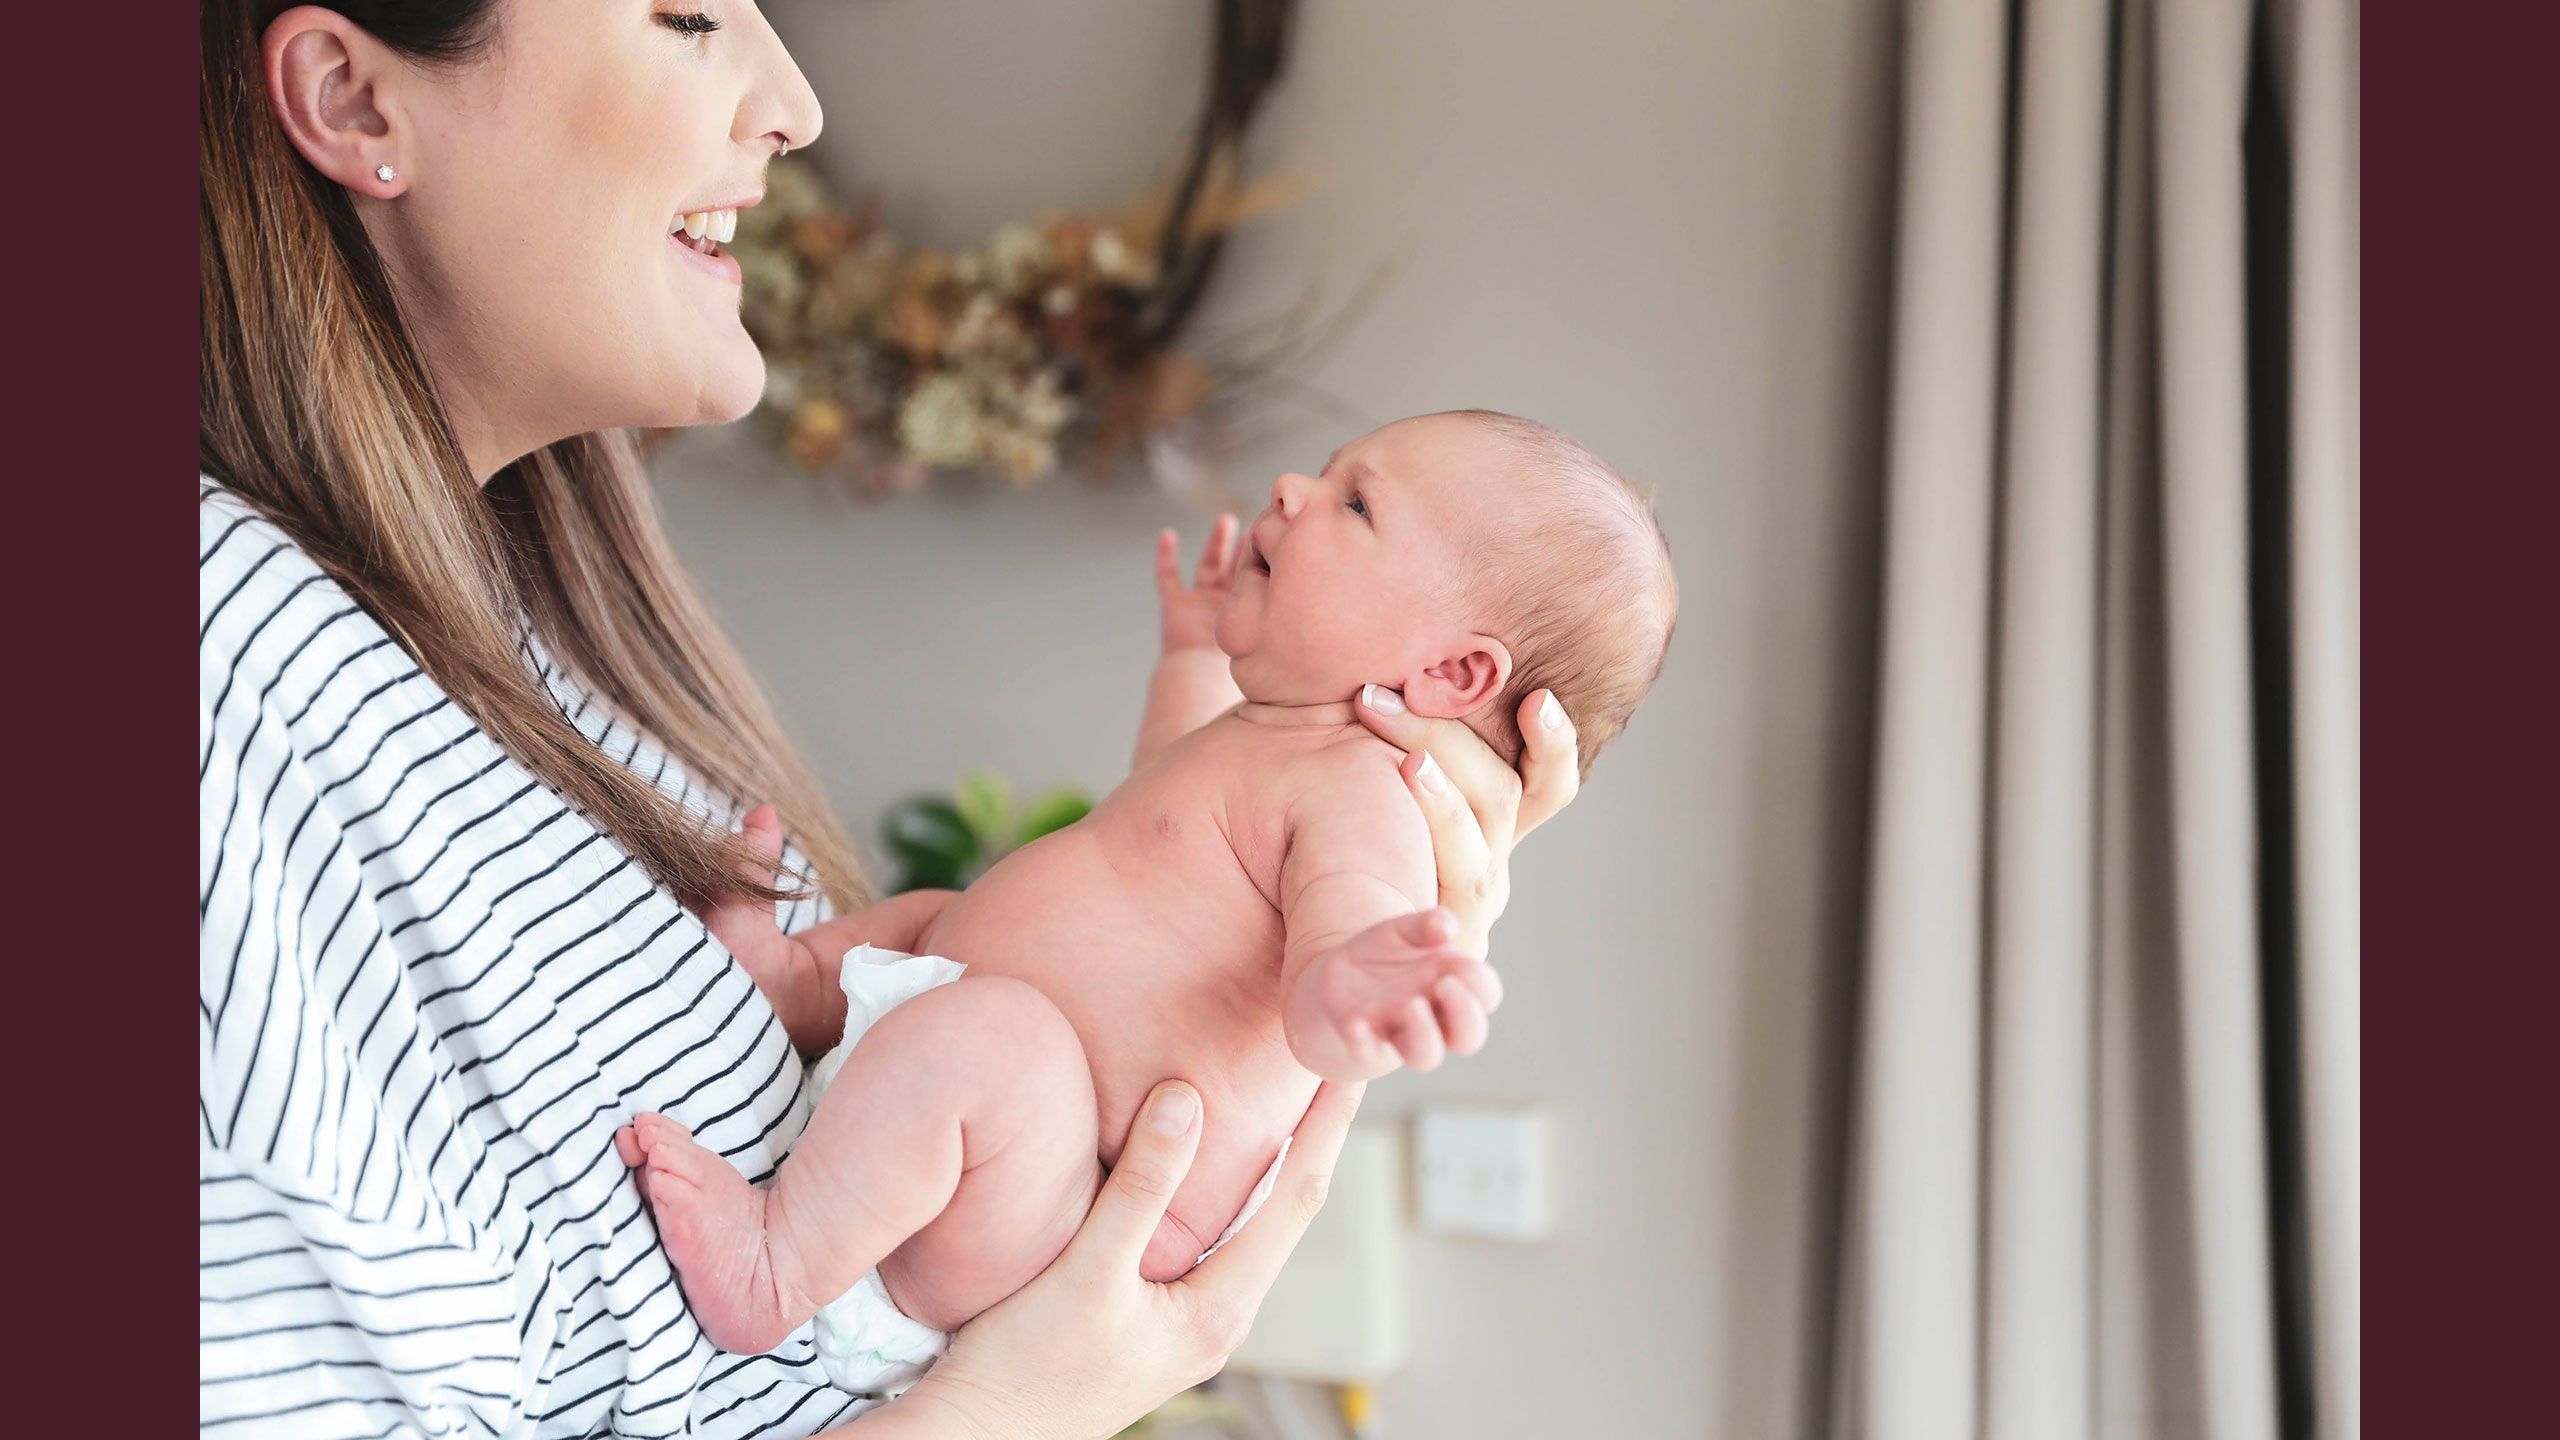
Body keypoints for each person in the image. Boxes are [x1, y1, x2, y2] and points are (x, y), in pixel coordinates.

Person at [197, 4, 1584, 1438]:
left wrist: (1377, 921)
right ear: (356, 102)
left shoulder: (555, 648)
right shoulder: (223, 654)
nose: (795, 100)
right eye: (684, 14)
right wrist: (1020, 1405)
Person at [619, 410, 1676, 1399]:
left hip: (1025, 1220)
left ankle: (774, 1267)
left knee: (999, 1036)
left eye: (1356, 504)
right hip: (963, 1135)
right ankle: (792, 983)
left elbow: (1326, 976)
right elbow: (1161, 802)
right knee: (950, 916)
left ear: (1452, 672)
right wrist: (1191, 657)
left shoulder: (1372, 804)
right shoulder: (1273, 736)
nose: (1292, 488)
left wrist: (1362, 975)